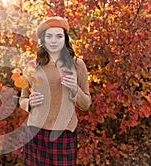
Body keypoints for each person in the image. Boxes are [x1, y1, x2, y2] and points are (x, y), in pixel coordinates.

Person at [19, 16, 92, 165]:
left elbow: (86, 105)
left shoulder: (77, 65)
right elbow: (22, 99)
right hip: (35, 131)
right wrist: (29, 103)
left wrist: (74, 89)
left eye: (59, 36)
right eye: (49, 36)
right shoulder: (32, 66)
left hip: (63, 132)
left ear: (65, 39)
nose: (53, 41)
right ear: (43, 40)